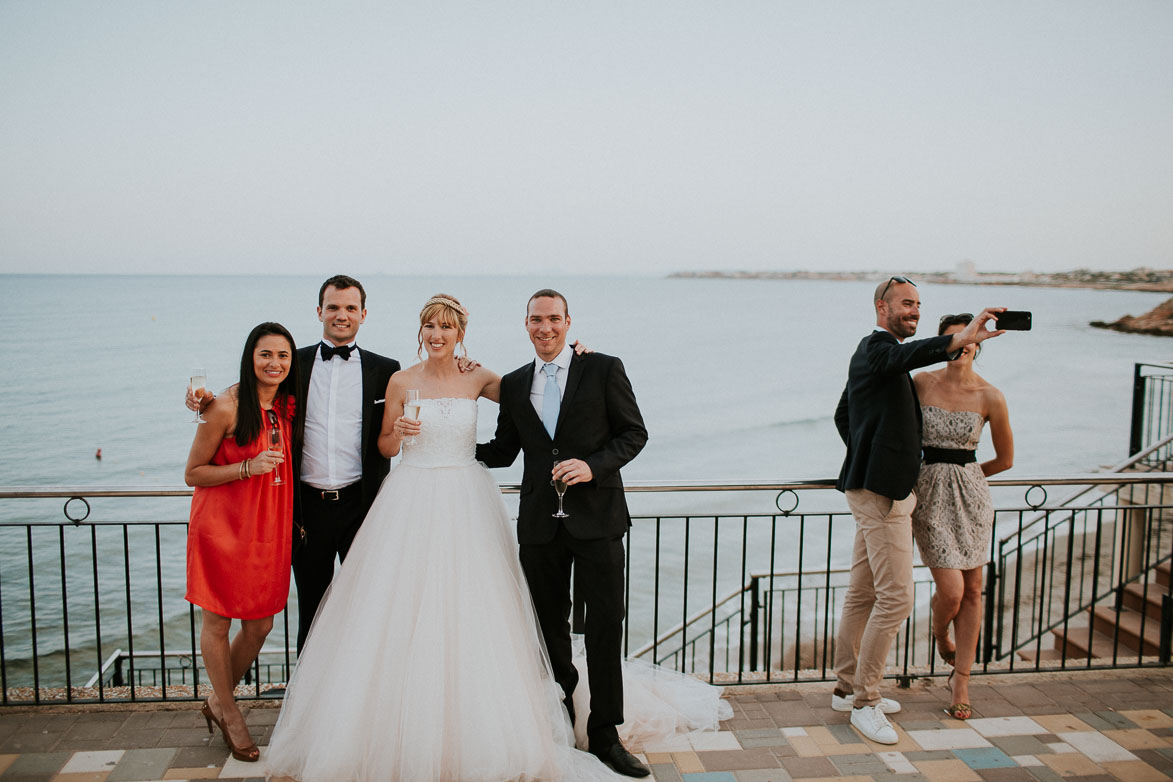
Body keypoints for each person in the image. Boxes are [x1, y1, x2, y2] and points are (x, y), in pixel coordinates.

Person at [266, 294, 727, 782]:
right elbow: (415, 445)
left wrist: (578, 368)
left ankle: (587, 730)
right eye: (429, 326)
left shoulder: (500, 377)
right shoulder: (418, 380)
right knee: (428, 612)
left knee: (527, 617)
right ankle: (499, 719)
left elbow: (588, 419)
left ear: (461, 333)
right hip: (417, 501)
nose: (437, 334)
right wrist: (408, 438)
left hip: (505, 505)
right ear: (419, 330)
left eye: (446, 327)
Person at [476, 289, 652, 777]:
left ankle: (604, 734)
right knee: (546, 630)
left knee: (603, 628)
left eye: (554, 319)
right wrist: (442, 445)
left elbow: (633, 434)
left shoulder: (602, 368)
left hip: (598, 520)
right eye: (536, 320)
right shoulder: (512, 385)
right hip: (538, 527)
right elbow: (503, 450)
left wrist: (593, 466)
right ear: (525, 325)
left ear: (568, 322)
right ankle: (559, 722)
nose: (545, 328)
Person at [832, 276, 1005, 744]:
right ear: (880, 307)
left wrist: (868, 455)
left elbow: (844, 415)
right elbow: (905, 356)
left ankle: (847, 688)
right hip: (883, 495)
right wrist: (964, 336)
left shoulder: (884, 360)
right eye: (906, 303)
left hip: (878, 488)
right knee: (897, 599)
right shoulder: (877, 349)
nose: (914, 310)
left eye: (918, 304)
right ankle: (865, 703)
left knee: (864, 592)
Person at [190, 275, 400, 652]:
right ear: (319, 311)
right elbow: (248, 391)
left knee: (367, 610)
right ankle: (306, 703)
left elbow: (421, 392)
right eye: (333, 307)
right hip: (306, 511)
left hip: (364, 508)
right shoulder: (292, 362)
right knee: (313, 613)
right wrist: (204, 398)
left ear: (364, 314)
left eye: (350, 308)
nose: (341, 315)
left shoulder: (386, 369)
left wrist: (461, 360)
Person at [184, 322, 301, 762]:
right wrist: (246, 469)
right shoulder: (225, 408)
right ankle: (231, 715)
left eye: (283, 356)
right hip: (222, 529)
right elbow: (193, 473)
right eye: (265, 354)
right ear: (250, 357)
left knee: (260, 625)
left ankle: (217, 701)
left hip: (268, 530)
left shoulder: (288, 404)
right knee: (217, 623)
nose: (274, 363)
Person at [911, 313, 1014, 719]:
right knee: (951, 590)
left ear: (978, 343)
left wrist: (966, 477)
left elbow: (1005, 460)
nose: (962, 344)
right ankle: (940, 635)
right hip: (928, 496)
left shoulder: (991, 396)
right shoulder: (920, 383)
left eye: (969, 338)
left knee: (973, 591)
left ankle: (962, 681)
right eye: (953, 338)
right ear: (943, 344)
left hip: (971, 498)